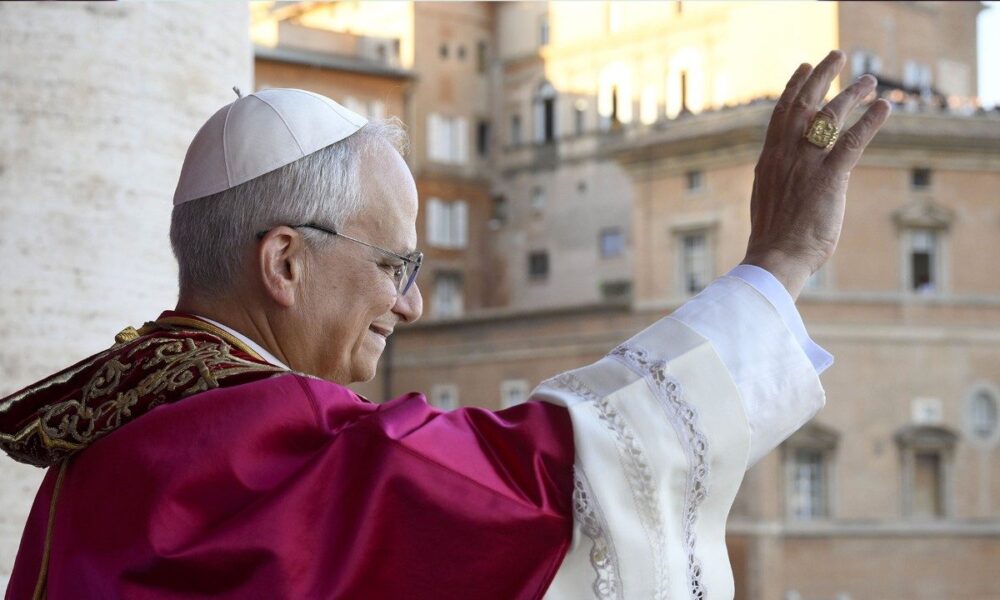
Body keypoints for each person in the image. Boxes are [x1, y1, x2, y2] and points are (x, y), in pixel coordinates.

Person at [1, 50, 889, 599]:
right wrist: (779, 263)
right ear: (284, 264)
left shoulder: (104, 447)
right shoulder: (271, 441)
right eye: (393, 266)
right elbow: (554, 483)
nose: (412, 304)